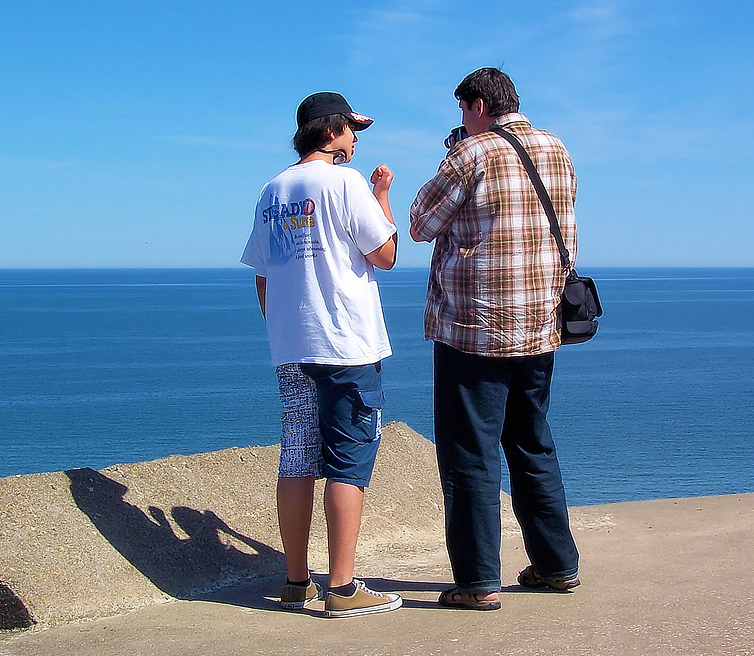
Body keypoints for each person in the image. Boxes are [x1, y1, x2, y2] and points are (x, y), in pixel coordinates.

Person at [409, 68, 581, 611]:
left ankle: (478, 581)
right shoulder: (557, 149)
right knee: (532, 442)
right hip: (540, 325)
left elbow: (420, 222)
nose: (460, 121)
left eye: (463, 111)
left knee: (469, 454)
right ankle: (556, 565)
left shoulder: (472, 154)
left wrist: (456, 152)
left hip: (474, 329)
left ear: (478, 104)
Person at [241, 92, 402, 618]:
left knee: (296, 456)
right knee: (347, 460)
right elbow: (386, 254)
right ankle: (342, 587)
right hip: (347, 344)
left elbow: (263, 274)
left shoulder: (274, 189)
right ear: (330, 130)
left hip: (292, 345)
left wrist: (284, 329)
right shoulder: (346, 183)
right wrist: (381, 195)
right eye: (352, 129)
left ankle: (295, 580)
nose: (356, 138)